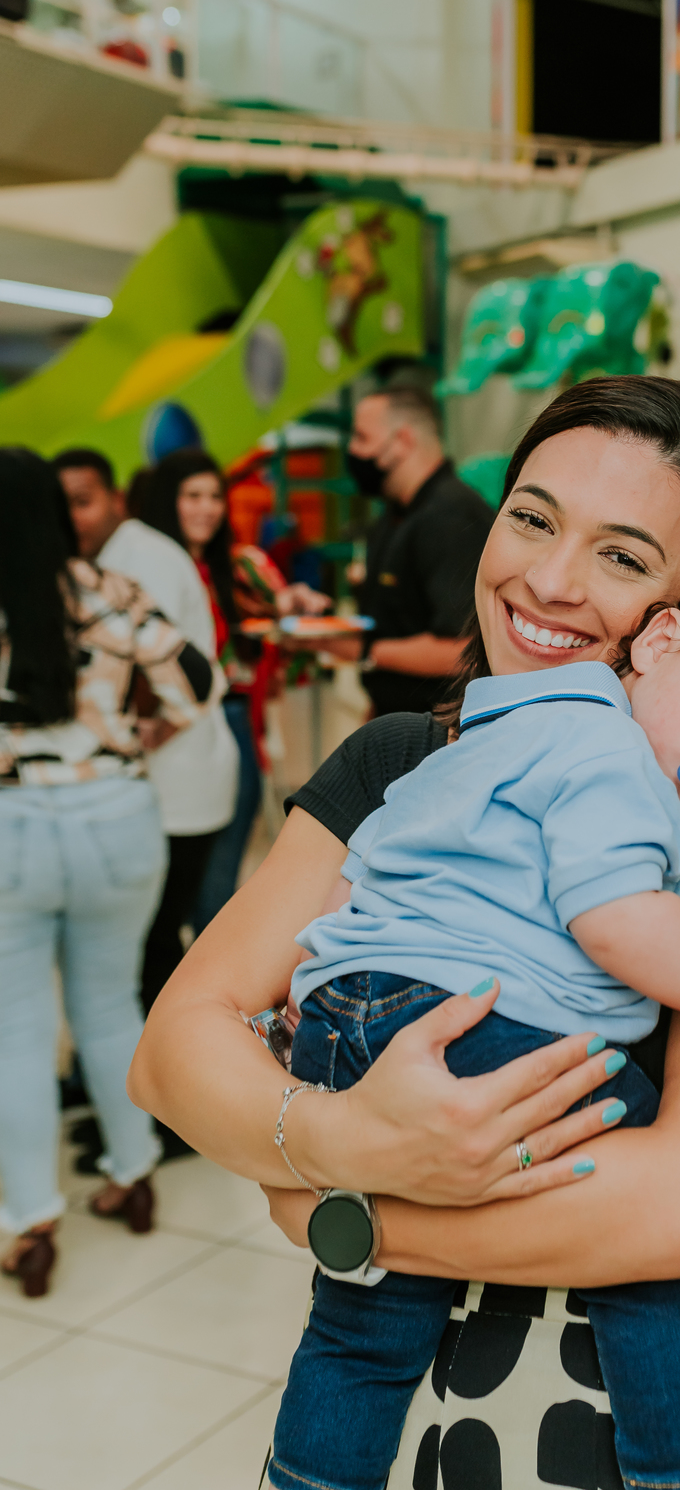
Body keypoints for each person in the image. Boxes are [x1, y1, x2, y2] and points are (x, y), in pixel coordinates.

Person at [130, 377, 680, 1490]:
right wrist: (342, 1144)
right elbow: (174, 1047)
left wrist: (337, 1202)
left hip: (617, 1418)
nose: (550, 580)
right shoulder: (393, 762)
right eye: (531, 516)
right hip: (384, 1409)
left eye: (622, 555)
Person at [273, 575, 680, 1490]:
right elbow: (618, 921)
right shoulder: (613, 755)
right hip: (477, 1021)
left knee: (360, 1326)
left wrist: (325, 998)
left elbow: (374, 856)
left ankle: (307, 1476)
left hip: (352, 1018)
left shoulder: (500, 728)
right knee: (655, 1244)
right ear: (659, 641)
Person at [0, 448, 215, 1298]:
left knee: (15, 1029)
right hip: (120, 816)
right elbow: (197, 680)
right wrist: (146, 736)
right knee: (111, 1003)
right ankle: (134, 1173)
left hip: (13, 822)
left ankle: (32, 1222)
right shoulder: (109, 592)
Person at [54, 447, 238, 1012]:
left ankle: (158, 1087)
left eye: (83, 503)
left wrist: (135, 736)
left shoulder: (139, 560)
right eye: (61, 506)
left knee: (152, 949)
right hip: (168, 787)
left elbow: (178, 678)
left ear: (114, 499)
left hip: (179, 792)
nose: (72, 518)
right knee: (144, 948)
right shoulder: (110, 556)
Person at [139, 450, 329, 939]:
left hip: (233, 723)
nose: (206, 509)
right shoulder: (149, 570)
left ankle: (203, 993)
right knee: (163, 883)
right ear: (168, 501)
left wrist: (300, 606)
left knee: (217, 882)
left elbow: (283, 610)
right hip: (168, 733)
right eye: (192, 496)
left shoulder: (239, 566)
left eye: (214, 497)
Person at [345, 381, 494, 716]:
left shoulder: (452, 517)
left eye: (362, 438)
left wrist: (363, 650)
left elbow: (461, 650)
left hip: (441, 732)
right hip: (399, 721)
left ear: (403, 441)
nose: (353, 452)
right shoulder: (395, 516)